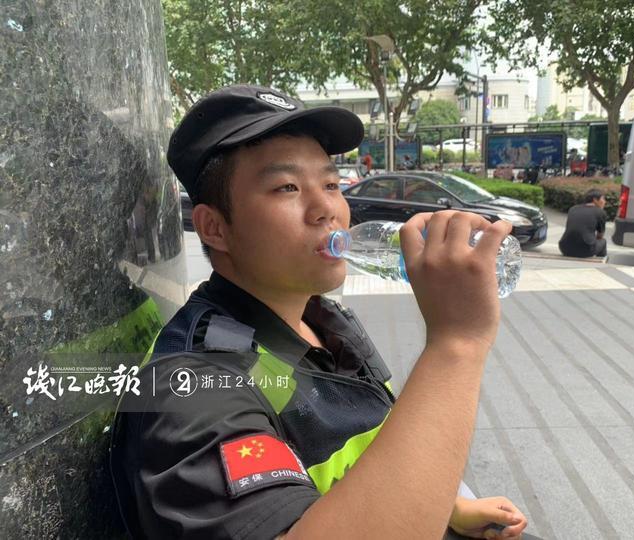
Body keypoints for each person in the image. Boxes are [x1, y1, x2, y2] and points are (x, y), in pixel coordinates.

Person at [109, 84, 528, 539]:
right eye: (287, 187)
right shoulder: (192, 386)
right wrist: (456, 345)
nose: (327, 208)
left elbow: (365, 461)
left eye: (331, 183)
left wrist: (445, 505)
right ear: (214, 228)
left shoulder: (326, 321)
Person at [558, 189, 608, 258]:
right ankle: (600, 261)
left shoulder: (573, 209)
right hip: (586, 250)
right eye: (603, 199)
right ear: (595, 200)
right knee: (603, 241)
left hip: (564, 248)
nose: (605, 202)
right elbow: (600, 236)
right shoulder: (600, 212)